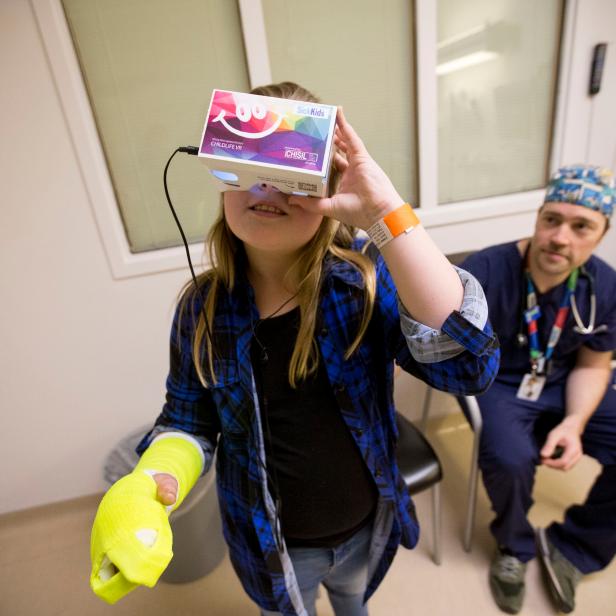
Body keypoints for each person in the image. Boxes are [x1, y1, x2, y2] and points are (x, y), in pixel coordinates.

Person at [89, 82, 499, 616]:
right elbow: (188, 419)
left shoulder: (365, 285)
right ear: (219, 177)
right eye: (247, 166)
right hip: (271, 543)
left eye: (291, 172)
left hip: (365, 524)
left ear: (329, 188)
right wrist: (153, 477)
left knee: (355, 601)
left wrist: (385, 212)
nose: (268, 189)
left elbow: (469, 367)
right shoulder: (201, 309)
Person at [460, 164, 616, 614]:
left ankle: (576, 548)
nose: (560, 237)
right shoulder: (486, 270)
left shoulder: (603, 287)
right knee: (510, 458)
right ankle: (514, 548)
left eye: (581, 226)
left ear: (601, 235)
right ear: (538, 218)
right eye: (552, 219)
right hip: (498, 380)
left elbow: (593, 362)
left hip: (567, 380)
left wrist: (574, 421)